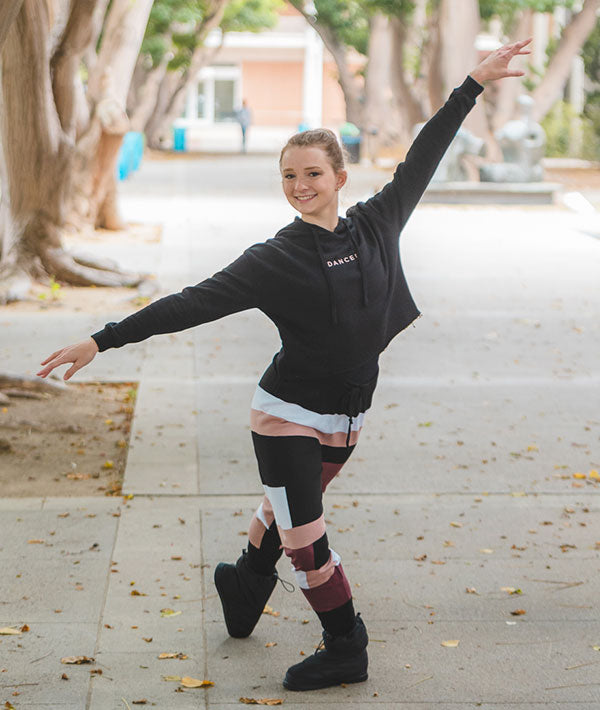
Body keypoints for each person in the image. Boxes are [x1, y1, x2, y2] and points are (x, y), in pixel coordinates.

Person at [37, 39, 531, 692]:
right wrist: (101, 340)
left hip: (347, 413)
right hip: (285, 414)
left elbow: (425, 154)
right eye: (289, 177)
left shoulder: (377, 222)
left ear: (340, 177)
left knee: (285, 511)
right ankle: (345, 645)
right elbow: (191, 303)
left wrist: (470, 82)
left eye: (313, 174)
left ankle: (244, 582)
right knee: (306, 539)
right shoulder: (274, 258)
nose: (300, 187)